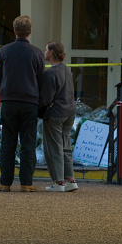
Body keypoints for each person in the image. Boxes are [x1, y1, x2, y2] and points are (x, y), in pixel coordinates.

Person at [0, 15, 45, 192]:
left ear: (14, 31)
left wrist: (5, 91)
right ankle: (26, 182)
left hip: (9, 100)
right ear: (30, 31)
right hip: (30, 101)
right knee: (28, 143)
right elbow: (41, 79)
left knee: (8, 142)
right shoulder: (37, 53)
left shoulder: (4, 51)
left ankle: (5, 182)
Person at [40, 41, 78, 192]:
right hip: (70, 112)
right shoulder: (66, 70)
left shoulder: (50, 73)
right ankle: (70, 179)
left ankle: (58, 182)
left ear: (52, 53)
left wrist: (35, 107)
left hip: (55, 113)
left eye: (46, 49)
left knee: (53, 147)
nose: (44, 52)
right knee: (66, 146)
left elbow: (46, 98)